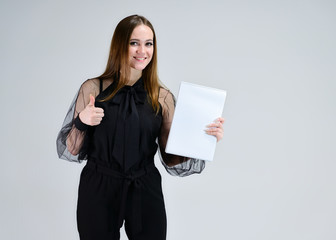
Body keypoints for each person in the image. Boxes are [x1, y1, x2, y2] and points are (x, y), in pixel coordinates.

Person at [56, 14, 225, 240]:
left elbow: (170, 157)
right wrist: (81, 121)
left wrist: (204, 139)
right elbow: (72, 148)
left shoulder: (162, 97)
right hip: (99, 186)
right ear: (120, 45)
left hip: (144, 186)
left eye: (149, 44)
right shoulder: (93, 89)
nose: (142, 51)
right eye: (134, 43)